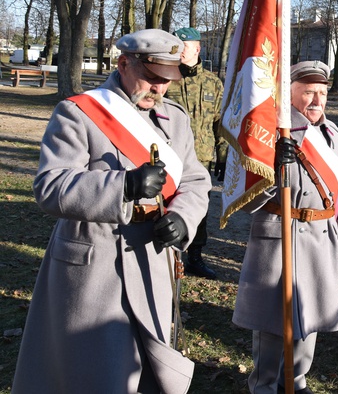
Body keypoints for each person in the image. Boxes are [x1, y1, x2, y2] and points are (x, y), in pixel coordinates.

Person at [13, 29, 212, 393]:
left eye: (167, 81)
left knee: (146, 369)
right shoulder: (79, 112)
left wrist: (183, 218)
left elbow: (196, 180)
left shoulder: (176, 118)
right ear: (124, 64)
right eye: (152, 78)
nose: (159, 89)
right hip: (94, 263)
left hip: (152, 259)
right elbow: (51, 186)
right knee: (92, 371)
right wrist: (124, 186)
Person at [232, 61, 338, 394]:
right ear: (290, 92)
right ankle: (265, 385)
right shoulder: (270, 131)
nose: (317, 100)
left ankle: (297, 380)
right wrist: (273, 167)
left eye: (322, 93)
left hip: (320, 236)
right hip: (280, 235)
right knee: (274, 324)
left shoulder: (332, 134)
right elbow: (243, 197)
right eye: (308, 92)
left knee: (310, 317)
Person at [166, 27, 227, 279]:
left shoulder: (212, 82)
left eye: (185, 47)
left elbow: (220, 122)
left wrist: (223, 153)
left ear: (197, 49)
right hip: (169, 155)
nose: (180, 51)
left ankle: (195, 257)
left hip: (201, 157)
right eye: (177, 47)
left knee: (198, 207)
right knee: (166, 202)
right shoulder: (167, 78)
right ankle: (166, 255)